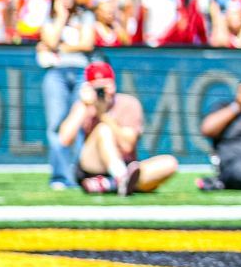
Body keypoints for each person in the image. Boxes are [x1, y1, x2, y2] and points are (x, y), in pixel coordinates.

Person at [55, 61, 178, 195]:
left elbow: (127, 146)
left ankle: (111, 184)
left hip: (125, 164)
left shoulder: (128, 104)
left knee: (169, 163)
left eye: (106, 86)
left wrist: (103, 115)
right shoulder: (84, 106)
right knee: (103, 130)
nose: (103, 92)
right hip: (93, 166)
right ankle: (120, 178)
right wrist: (85, 106)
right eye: (98, 88)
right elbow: (64, 139)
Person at [37, 0, 98, 189]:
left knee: (81, 124)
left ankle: (80, 173)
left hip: (81, 72)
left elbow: (87, 44)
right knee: (56, 125)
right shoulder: (50, 20)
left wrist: (62, 46)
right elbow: (51, 41)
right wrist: (61, 18)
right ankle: (60, 176)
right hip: (57, 74)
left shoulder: (85, 16)